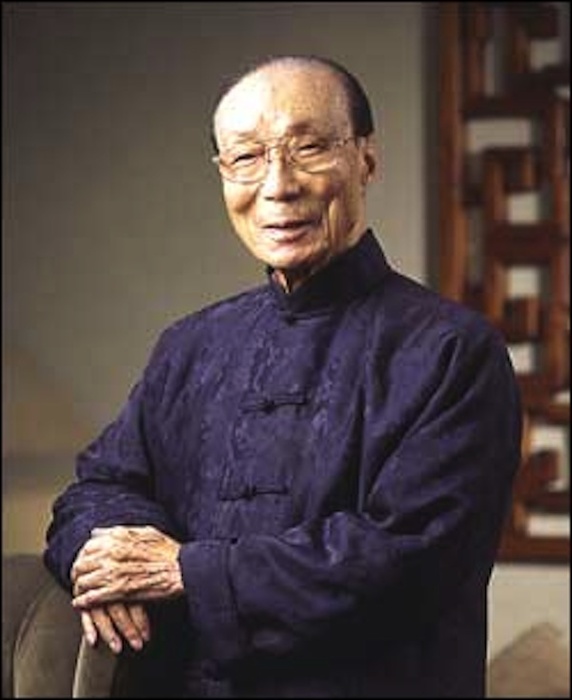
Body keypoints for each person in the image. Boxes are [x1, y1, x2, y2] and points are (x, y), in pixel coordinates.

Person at [43, 54, 522, 698]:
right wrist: (105, 560)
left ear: (366, 160)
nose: (278, 185)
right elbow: (98, 487)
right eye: (246, 157)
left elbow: (408, 561)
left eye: (310, 148)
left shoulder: (453, 351)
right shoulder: (191, 346)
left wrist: (185, 571)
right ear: (223, 174)